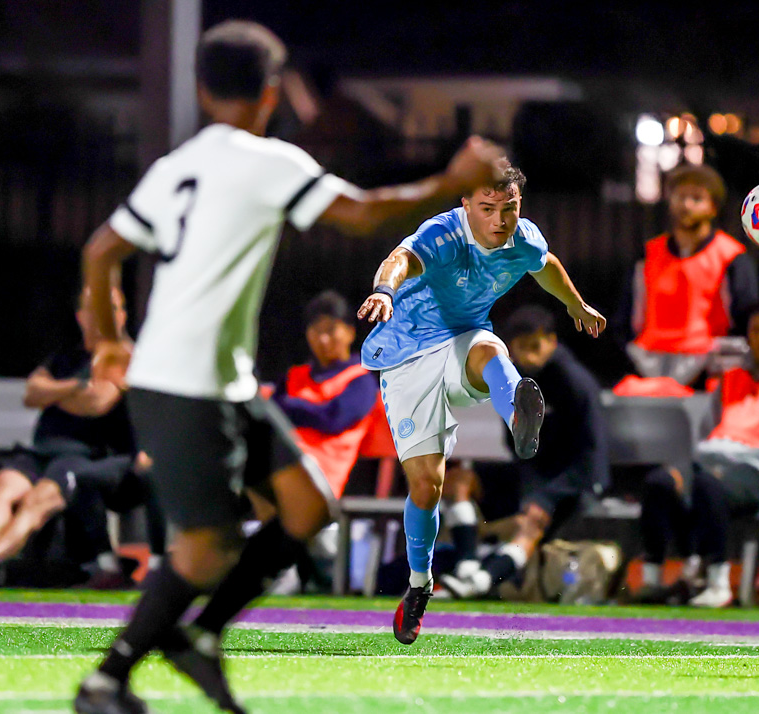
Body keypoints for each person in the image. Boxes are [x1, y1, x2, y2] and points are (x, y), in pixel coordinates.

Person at [76, 19, 507, 714]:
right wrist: (450, 182)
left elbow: (101, 252)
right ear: (271, 92)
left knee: (308, 508)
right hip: (184, 383)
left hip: (218, 381)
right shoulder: (268, 161)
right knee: (207, 547)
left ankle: (202, 638)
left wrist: (108, 339)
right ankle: (107, 680)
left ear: (201, 89)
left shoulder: (176, 165)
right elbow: (362, 215)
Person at [357, 162, 606, 644]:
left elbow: (546, 265)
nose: (499, 220)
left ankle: (517, 412)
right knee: (427, 487)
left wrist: (574, 303)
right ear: (467, 204)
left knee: (490, 348)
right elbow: (399, 258)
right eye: (487, 208)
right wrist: (385, 291)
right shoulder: (443, 234)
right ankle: (419, 584)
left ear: (519, 205)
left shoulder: (522, 238)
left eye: (508, 208)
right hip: (408, 356)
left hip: (463, 342)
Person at [637, 300, 759, 607]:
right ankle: (652, 580)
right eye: (755, 331)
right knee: (660, 482)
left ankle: (717, 582)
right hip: (712, 461)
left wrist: (745, 452)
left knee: (708, 485)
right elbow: (706, 432)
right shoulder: (732, 377)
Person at [0, 287, 142, 586]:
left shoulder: (124, 358)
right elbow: (32, 393)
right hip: (41, 452)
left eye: (111, 308)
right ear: (81, 316)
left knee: (39, 499)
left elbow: (97, 402)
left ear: (122, 315)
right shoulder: (65, 357)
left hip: (84, 456)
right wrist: (75, 387)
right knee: (1, 486)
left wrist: (54, 393)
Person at [438, 304, 610, 599]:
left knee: (531, 520)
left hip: (573, 484)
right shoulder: (513, 381)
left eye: (535, 346)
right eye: (521, 347)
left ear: (552, 342)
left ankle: (482, 581)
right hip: (531, 476)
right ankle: (467, 565)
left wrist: (541, 495)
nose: (529, 355)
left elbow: (592, 456)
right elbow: (515, 443)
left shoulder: (575, 383)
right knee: (456, 480)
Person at [612, 164, 758, 387]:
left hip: (708, 368)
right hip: (646, 364)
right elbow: (626, 316)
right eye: (680, 197)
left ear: (713, 208)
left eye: (697, 198)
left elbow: (745, 320)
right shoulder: (649, 254)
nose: (686, 205)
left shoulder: (731, 257)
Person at [268, 290, 387, 500]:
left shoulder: (360, 381)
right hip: (279, 470)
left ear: (349, 332)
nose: (323, 339)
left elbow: (332, 419)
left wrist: (288, 407)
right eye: (316, 330)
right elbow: (268, 416)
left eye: (331, 330)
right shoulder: (294, 376)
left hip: (320, 482)